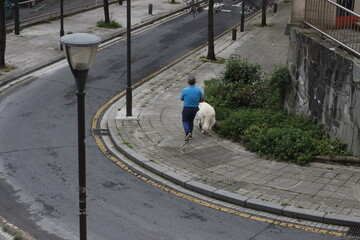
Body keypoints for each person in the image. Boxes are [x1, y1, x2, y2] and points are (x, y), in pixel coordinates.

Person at [180, 76, 204, 141]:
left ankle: (188, 132)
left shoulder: (184, 90)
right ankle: (190, 136)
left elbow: (182, 99)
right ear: (195, 82)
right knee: (191, 121)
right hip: (195, 108)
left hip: (187, 108)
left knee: (184, 121)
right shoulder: (199, 90)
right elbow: (202, 100)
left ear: (188, 82)